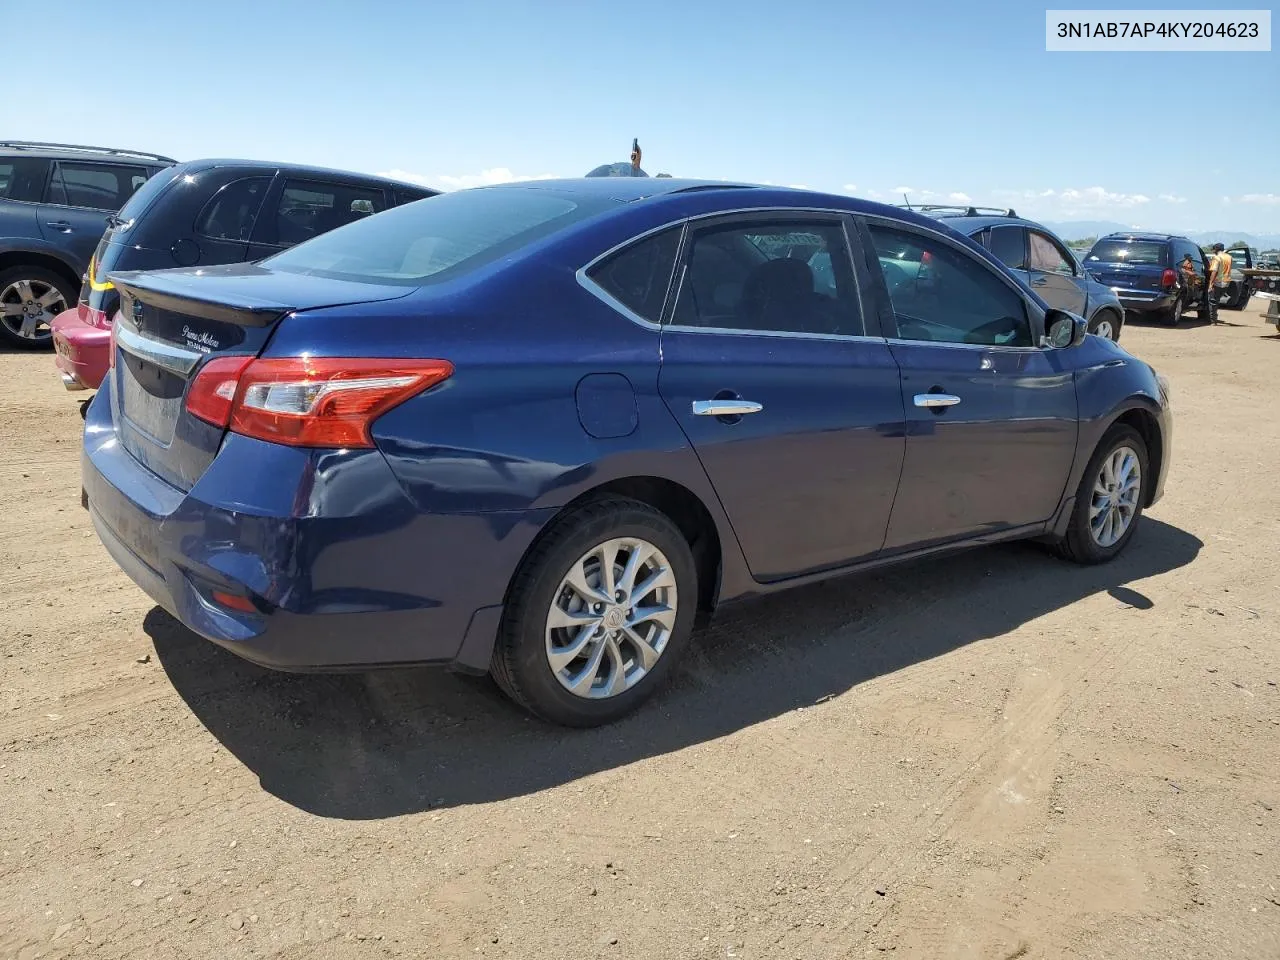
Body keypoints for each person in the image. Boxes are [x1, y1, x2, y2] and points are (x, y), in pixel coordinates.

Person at [1206, 242, 1233, 324]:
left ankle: (1213, 320)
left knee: (1212, 301)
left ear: (1216, 249)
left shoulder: (1217, 258)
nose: (1213, 251)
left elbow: (1214, 271)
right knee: (1217, 301)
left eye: (1214, 249)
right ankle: (1214, 317)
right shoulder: (1229, 257)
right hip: (1226, 282)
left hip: (1218, 282)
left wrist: (1210, 284)